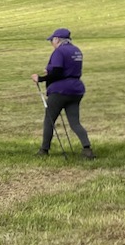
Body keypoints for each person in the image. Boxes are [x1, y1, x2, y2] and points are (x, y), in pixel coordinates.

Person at [31, 27, 95, 158]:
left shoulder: (59, 52)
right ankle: (87, 148)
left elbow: (57, 72)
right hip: (76, 89)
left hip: (60, 90)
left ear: (57, 39)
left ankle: (44, 150)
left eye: (52, 41)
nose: (51, 43)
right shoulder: (76, 50)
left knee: (49, 120)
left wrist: (41, 78)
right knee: (74, 122)